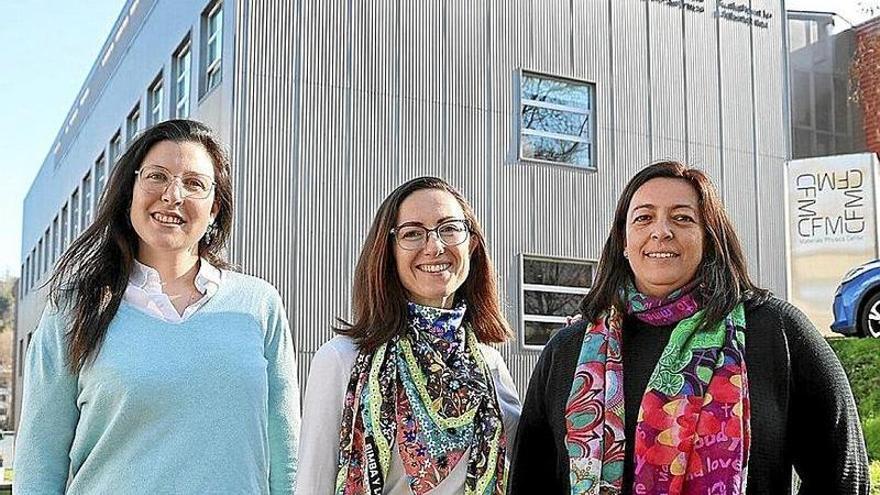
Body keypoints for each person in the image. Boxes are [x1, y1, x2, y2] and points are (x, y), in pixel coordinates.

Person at [509, 161, 870, 495]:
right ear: (623, 241)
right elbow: (529, 480)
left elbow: (841, 471)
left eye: (682, 218)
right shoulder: (569, 349)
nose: (661, 231)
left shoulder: (775, 331)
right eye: (643, 218)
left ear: (710, 238)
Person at [15, 119, 300, 494]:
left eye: (194, 184)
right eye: (157, 176)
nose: (172, 195)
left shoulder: (258, 304)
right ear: (131, 189)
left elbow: (287, 457)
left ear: (215, 208)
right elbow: (39, 463)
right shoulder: (73, 308)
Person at [296, 176, 521, 494]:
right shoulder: (341, 359)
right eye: (413, 233)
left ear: (471, 244)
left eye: (449, 229)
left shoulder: (489, 364)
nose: (434, 247)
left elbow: (538, 452)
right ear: (389, 250)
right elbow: (312, 484)